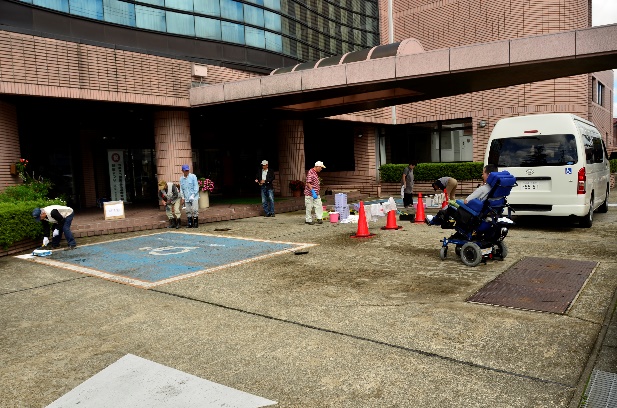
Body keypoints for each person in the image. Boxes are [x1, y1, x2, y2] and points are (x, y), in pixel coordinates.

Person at [426, 164, 497, 225]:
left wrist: (458, 203)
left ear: (489, 175)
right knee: (452, 196)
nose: (482, 176)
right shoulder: (496, 189)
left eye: (483, 174)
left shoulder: (483, 189)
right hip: (482, 214)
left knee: (449, 206)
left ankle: (433, 220)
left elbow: (466, 201)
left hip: (470, 215)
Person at [304, 161, 325, 225]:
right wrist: (313, 191)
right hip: (310, 194)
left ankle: (319, 218)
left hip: (316, 193)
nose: (321, 169)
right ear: (317, 166)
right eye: (321, 167)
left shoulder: (315, 173)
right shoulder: (311, 172)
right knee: (309, 207)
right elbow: (308, 183)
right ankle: (308, 220)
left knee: (319, 205)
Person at [179, 164, 199, 228]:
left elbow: (196, 186)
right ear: (182, 171)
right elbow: (181, 189)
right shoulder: (181, 179)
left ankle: (195, 223)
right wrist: (182, 197)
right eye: (185, 170)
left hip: (194, 196)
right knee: (188, 210)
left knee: (195, 210)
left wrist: (193, 195)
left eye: (187, 170)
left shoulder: (193, 176)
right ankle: (190, 223)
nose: (187, 172)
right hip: (186, 197)